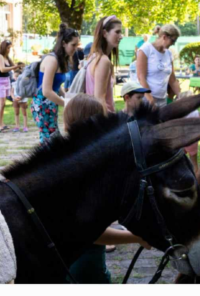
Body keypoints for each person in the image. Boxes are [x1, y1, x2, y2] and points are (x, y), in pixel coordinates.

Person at [62, 93, 152, 283]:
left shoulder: (67, 157)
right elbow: (89, 232)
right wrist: (136, 237)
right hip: (82, 266)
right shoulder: (82, 170)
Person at [32, 23, 80, 143]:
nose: (75, 48)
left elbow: (56, 86)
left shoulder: (60, 60)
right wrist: (66, 103)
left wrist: (67, 96)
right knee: (49, 140)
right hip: (42, 105)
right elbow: (47, 91)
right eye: (73, 45)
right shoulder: (52, 60)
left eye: (77, 45)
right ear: (64, 43)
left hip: (50, 104)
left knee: (53, 139)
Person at [136, 24, 181, 106]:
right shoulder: (146, 49)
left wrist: (180, 96)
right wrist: (150, 99)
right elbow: (141, 77)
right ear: (164, 37)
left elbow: (173, 79)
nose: (173, 44)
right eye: (173, 41)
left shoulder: (169, 54)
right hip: (145, 99)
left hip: (162, 100)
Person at [86, 15, 123, 112]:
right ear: (105, 33)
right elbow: (99, 99)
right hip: (102, 119)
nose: (121, 36)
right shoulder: (103, 60)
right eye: (117, 32)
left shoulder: (94, 57)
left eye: (121, 32)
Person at [0, 40, 15, 132]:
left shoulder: (7, 57)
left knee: (3, 104)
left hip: (6, 80)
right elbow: (3, 69)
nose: (9, 50)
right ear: (3, 47)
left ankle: (2, 123)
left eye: (10, 48)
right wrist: (14, 67)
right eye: (8, 48)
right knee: (1, 103)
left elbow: (14, 66)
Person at [176, 91, 200, 173]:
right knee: (194, 161)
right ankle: (196, 178)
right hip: (192, 139)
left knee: (179, 161)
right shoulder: (196, 112)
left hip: (180, 140)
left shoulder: (177, 114)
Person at [11, 68, 29, 132]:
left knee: (24, 113)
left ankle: (25, 126)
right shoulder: (13, 84)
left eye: (16, 76)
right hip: (15, 100)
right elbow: (12, 92)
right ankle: (17, 126)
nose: (15, 78)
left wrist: (21, 97)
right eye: (14, 76)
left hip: (23, 100)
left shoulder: (24, 83)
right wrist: (14, 98)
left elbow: (26, 92)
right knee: (16, 113)